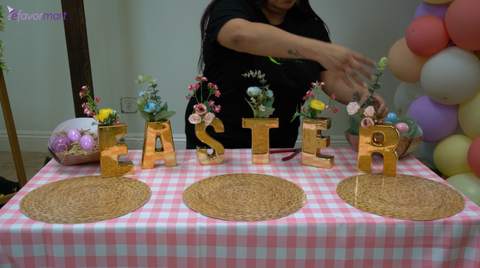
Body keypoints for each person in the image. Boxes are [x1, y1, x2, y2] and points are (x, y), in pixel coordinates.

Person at [184, 0, 388, 149]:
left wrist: (360, 95)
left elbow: (330, 80)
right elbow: (238, 35)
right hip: (217, 138)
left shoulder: (309, 24)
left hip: (278, 142)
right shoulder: (232, 6)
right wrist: (315, 49)